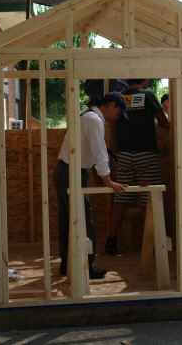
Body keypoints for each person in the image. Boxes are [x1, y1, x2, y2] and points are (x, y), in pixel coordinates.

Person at [54, 92, 127, 279]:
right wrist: (108, 180)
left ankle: (67, 264)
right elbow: (99, 151)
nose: (116, 118)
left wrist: (98, 175)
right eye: (118, 112)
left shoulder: (85, 114)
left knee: (68, 221)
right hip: (72, 173)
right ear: (111, 105)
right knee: (83, 220)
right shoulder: (94, 120)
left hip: (64, 171)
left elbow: (87, 150)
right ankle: (87, 265)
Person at [105, 80, 168, 255]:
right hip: (146, 154)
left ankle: (111, 240)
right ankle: (150, 244)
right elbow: (163, 123)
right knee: (149, 197)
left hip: (125, 154)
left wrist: (118, 153)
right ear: (145, 80)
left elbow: (113, 130)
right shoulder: (148, 95)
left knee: (121, 197)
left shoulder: (119, 97)